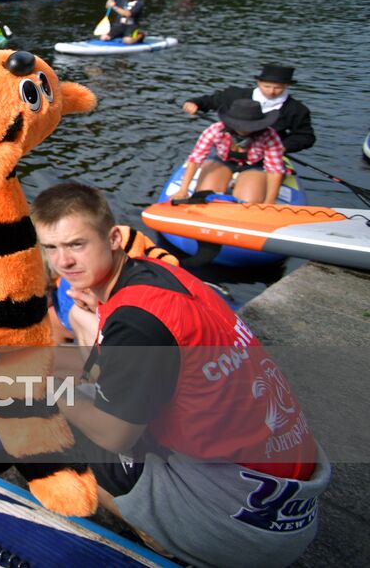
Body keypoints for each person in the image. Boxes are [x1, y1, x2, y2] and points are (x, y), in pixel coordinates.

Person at [34, 182, 327, 568]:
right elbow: (111, 364)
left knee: (54, 426)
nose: (63, 262)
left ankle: (164, 541)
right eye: (51, 248)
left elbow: (116, 432)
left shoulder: (136, 323)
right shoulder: (159, 276)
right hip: (294, 504)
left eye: (76, 245)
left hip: (245, 533)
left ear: (114, 237)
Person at [176, 98, 289, 204]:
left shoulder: (269, 136)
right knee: (205, 194)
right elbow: (195, 159)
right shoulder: (216, 130)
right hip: (223, 161)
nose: (244, 129)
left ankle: (243, 184)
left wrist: (269, 202)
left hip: (255, 165)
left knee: (250, 201)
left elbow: (274, 171)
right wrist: (183, 190)